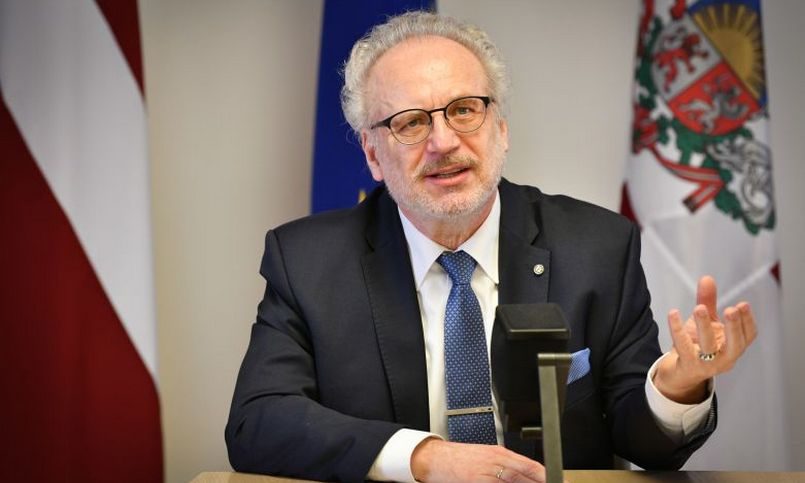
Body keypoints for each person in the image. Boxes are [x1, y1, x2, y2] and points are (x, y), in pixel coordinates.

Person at [225, 11, 757, 483]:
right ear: (372, 154)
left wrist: (677, 386)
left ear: (500, 127)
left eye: (464, 110)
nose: (443, 142)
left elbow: (643, 442)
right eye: (411, 123)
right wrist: (424, 459)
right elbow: (258, 421)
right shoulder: (308, 262)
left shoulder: (597, 246)